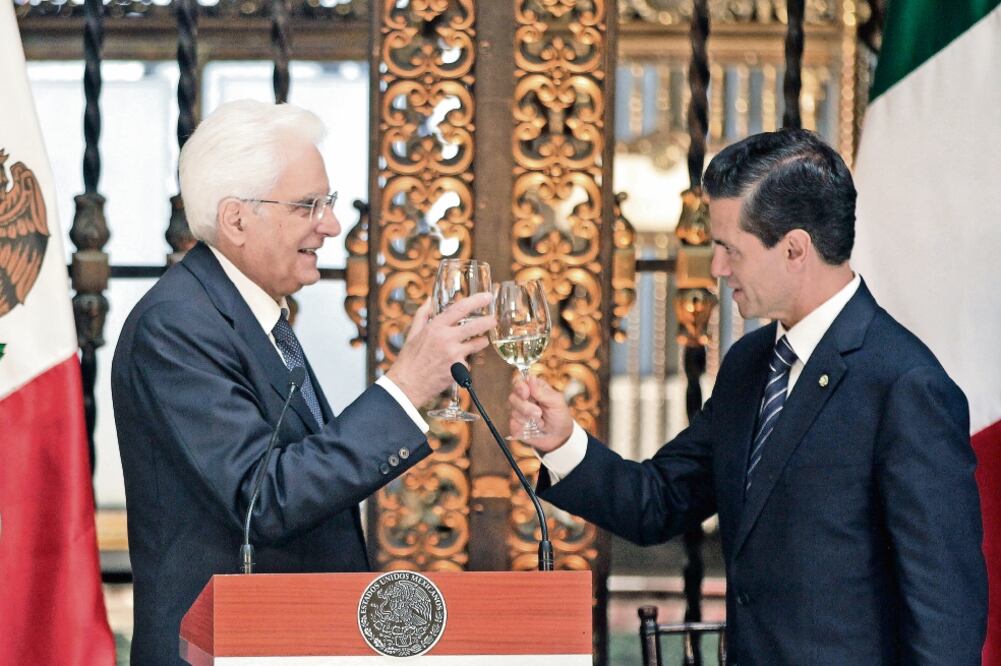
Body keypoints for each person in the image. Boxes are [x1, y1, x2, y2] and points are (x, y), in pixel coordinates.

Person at [509, 129, 987, 665]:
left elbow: (945, 613)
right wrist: (562, 442)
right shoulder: (749, 364)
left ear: (794, 249)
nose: (716, 268)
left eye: (729, 248)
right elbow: (660, 502)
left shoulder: (905, 385)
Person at [111, 99, 494, 665]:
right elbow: (263, 500)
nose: (332, 224)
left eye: (328, 202)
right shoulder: (178, 324)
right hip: (220, 649)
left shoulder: (255, 314)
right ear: (237, 218)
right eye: (308, 205)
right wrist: (406, 387)